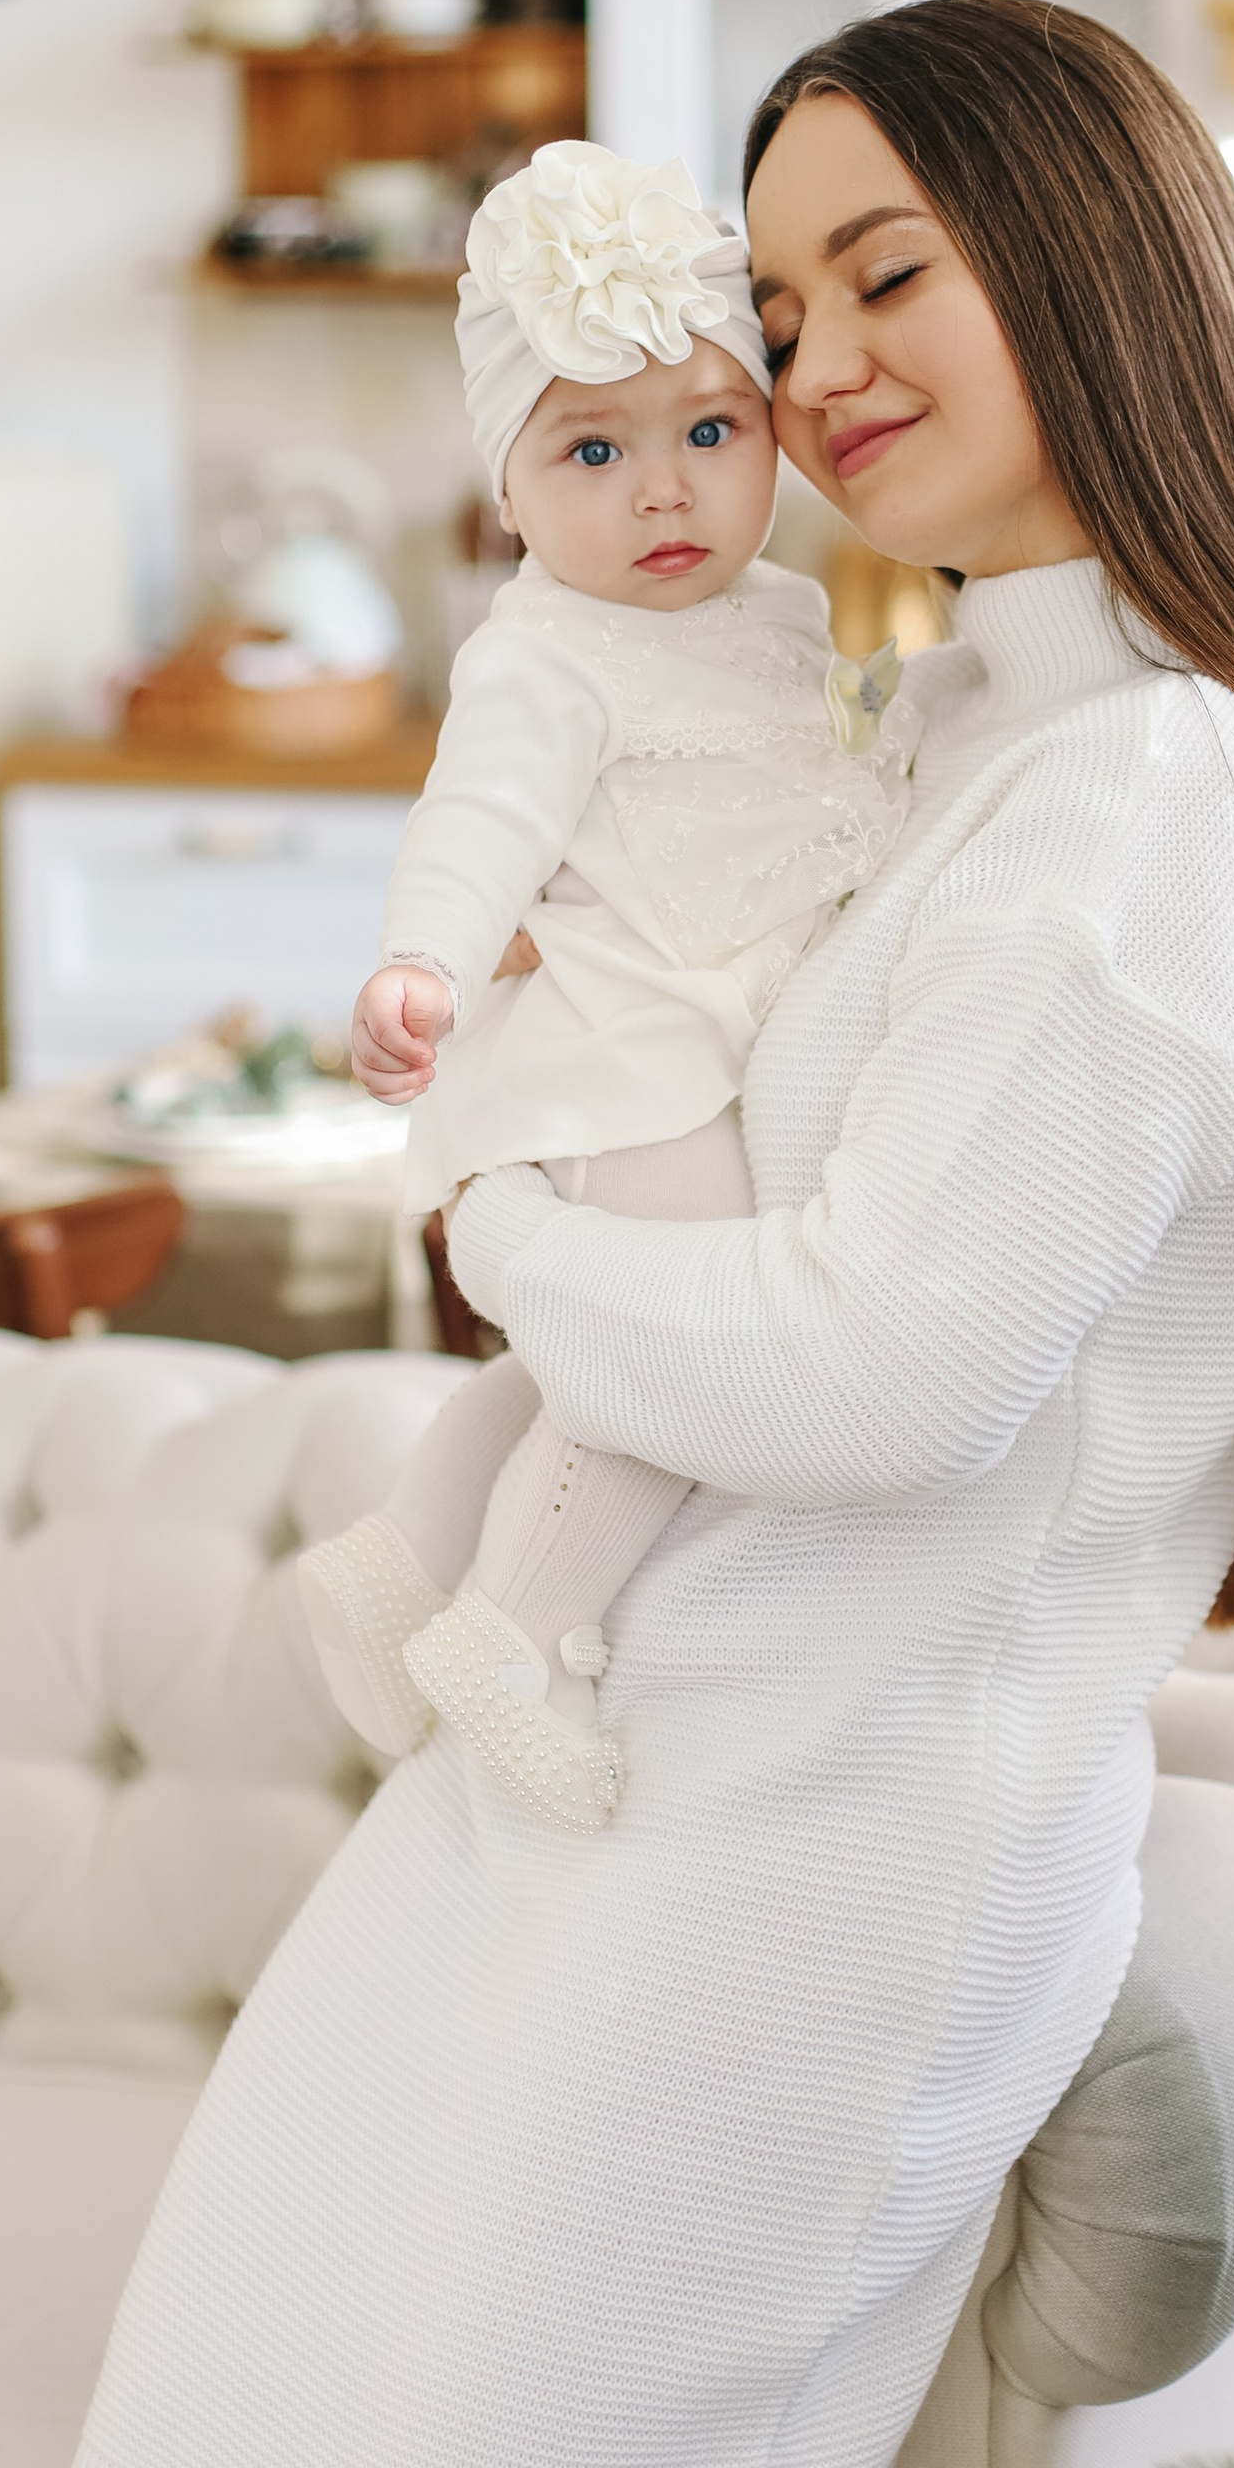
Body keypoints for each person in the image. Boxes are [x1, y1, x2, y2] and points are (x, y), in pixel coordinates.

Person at [65, 0, 1234, 2468]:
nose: (815, 363)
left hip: (804, 1871)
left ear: (1093, 265)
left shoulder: (1175, 798)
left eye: (889, 272)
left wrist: (495, 1223)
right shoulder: (957, 727)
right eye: (778, 292)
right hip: (591, 1781)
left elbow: (872, 1371)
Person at [299, 139, 917, 1830]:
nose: (665, 493)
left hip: (702, 1044)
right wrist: (420, 962)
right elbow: (478, 822)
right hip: (622, 1064)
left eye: (712, 435)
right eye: (594, 450)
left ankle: (401, 1557)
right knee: (675, 1361)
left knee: (588, 1361)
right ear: (507, 490)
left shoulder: (781, 612)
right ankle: (514, 1636)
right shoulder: (541, 652)